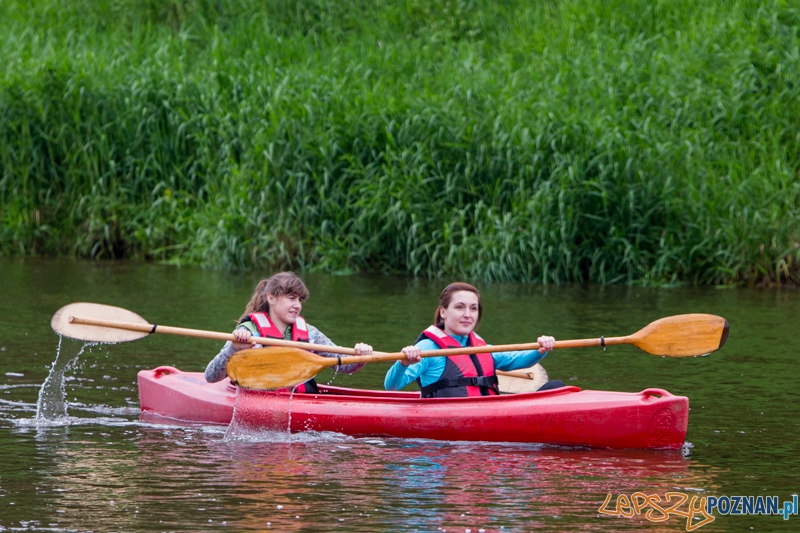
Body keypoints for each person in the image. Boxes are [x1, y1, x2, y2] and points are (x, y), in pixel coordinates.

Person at [384, 282, 564, 397]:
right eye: (460, 307)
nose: (467, 315)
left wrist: (541, 349)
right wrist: (403, 363)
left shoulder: (482, 348)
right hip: (449, 422)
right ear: (443, 312)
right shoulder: (427, 348)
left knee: (556, 387)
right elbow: (391, 387)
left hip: (490, 414)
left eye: (473, 308)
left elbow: (518, 359)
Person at [205, 271, 372, 392]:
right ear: (271, 298)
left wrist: (361, 356)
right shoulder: (248, 332)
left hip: (302, 403)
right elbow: (211, 376)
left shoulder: (311, 334)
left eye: (300, 300)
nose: (297, 305)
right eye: (291, 298)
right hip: (257, 401)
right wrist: (234, 348)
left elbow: (344, 365)